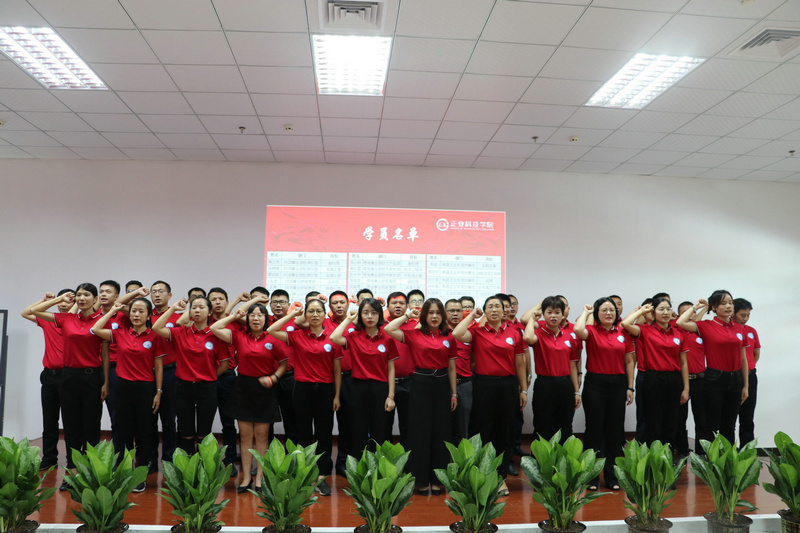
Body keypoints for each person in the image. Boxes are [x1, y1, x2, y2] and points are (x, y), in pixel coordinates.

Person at [30, 284, 106, 491]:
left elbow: (106, 352)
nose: (82, 298)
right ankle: (72, 474)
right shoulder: (66, 319)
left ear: (95, 299)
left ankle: (89, 472)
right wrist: (58, 299)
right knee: (71, 427)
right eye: (79, 295)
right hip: (68, 377)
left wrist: (106, 381)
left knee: (91, 427)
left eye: (86, 295)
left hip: (91, 377)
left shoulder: (101, 320)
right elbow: (33, 311)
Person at [453, 295, 527, 496]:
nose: (494, 310)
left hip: (508, 386)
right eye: (490, 307)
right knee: (484, 431)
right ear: (484, 311)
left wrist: (523, 389)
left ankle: (500, 478)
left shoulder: (514, 333)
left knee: (505, 431)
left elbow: (520, 363)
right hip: (483, 385)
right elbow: (457, 333)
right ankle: (485, 476)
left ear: (504, 311)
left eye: (498, 307)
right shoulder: (476, 332)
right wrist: (472, 316)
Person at [267, 299, 342, 497]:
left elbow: (337, 370)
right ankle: (304, 475)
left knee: (324, 434)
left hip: (325, 390)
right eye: (311, 311)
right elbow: (272, 330)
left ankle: (321, 476)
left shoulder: (332, 338)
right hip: (302, 389)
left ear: (325, 314)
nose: (315, 315)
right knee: (303, 434)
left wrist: (336, 395)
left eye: (319, 311)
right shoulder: (297, 336)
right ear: (305, 315)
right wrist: (292, 314)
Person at [211, 303, 288, 493]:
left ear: (266, 318)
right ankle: (246, 478)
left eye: (260, 315)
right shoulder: (239, 336)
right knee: (245, 436)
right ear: (247, 319)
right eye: (252, 315)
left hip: (265, 388)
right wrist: (234, 315)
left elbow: (284, 363)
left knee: (261, 437)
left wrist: (273, 378)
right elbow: (215, 328)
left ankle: (260, 477)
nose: (255, 318)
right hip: (243, 388)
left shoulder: (273, 337)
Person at [91, 298, 165, 493]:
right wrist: (112, 310)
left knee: (144, 434)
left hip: (146, 389)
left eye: (141, 311)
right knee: (123, 432)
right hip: (122, 389)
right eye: (133, 311)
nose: (136, 314)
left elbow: (158, 367)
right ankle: (124, 472)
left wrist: (158, 392)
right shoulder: (120, 333)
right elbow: (96, 329)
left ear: (148, 316)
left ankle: (140, 475)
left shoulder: (155, 336)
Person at [385, 298, 457, 496]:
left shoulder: (449, 337)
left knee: (441, 432)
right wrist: (407, 315)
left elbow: (452, 367)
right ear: (424, 315)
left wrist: (454, 393)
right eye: (430, 312)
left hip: (442, 385)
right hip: (420, 384)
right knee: (420, 432)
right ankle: (421, 480)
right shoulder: (413, 334)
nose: (434, 316)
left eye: (438, 313)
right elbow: (389, 329)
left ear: (443, 316)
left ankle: (437, 480)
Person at [153, 297, 231, 454]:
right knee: (185, 432)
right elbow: (156, 327)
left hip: (207, 389)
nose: (197, 310)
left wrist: (209, 376)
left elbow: (224, 364)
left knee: (204, 433)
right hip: (183, 388)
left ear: (209, 312)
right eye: (193, 307)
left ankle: (204, 466)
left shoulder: (215, 335)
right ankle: (188, 465)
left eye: (201, 307)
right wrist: (173, 309)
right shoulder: (181, 332)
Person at [574, 298, 635, 491]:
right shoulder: (591, 331)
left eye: (612, 310)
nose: (609, 313)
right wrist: (586, 312)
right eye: (604, 310)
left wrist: (630, 386)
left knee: (615, 432)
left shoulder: (623, 332)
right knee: (594, 431)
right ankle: (591, 478)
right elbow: (577, 330)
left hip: (618, 384)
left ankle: (612, 476)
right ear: (596, 314)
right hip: (595, 384)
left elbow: (629, 361)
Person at [677, 291, 749, 445]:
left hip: (735, 379)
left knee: (730, 424)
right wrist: (696, 306)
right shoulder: (706, 326)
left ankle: (728, 458)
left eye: (730, 303)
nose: (728, 306)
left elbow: (743, 359)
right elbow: (680, 323)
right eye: (723, 303)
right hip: (714, 379)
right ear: (714, 307)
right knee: (712, 423)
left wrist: (746, 385)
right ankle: (712, 458)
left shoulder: (740, 328)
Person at [330, 298, 396, 460]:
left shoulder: (387, 338)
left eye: (374, 313)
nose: (370, 316)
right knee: (357, 431)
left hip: (380, 389)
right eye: (365, 313)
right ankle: (358, 469)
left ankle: (379, 468)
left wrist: (391, 396)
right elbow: (334, 338)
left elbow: (391, 369)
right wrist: (348, 319)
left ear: (379, 315)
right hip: (358, 388)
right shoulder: (354, 336)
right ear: (360, 315)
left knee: (379, 431)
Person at [622, 298, 689, 449]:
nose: (666, 312)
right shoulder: (645, 330)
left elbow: (684, 363)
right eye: (661, 309)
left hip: (674, 379)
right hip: (653, 379)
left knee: (672, 420)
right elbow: (625, 324)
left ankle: (668, 454)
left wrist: (686, 388)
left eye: (668, 309)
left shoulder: (678, 333)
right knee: (653, 420)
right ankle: (654, 455)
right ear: (653, 313)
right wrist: (641, 311)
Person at [20, 289, 73, 470]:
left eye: (68, 300)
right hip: (49, 376)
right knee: (49, 420)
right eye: (61, 301)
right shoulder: (49, 320)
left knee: (70, 421)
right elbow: (25, 312)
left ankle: (72, 460)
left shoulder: (76, 323)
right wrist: (46, 300)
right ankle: (49, 457)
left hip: (69, 377)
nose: (64, 304)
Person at [523, 297, 581, 445]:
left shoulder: (569, 336)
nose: (553, 316)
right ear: (543, 314)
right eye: (549, 312)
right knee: (542, 425)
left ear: (563, 314)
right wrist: (532, 319)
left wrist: (576, 391)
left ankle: (563, 458)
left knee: (565, 425)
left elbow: (573, 366)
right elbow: (528, 337)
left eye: (557, 312)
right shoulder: (539, 332)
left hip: (565, 385)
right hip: (545, 385)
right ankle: (541, 459)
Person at [148, 280, 179, 470]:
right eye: (154, 292)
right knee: (148, 419)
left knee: (169, 420)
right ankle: (150, 459)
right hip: (146, 373)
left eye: (161, 291)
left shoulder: (178, 317)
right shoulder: (144, 314)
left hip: (170, 373)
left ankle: (168, 460)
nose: (157, 295)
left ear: (170, 295)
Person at [207, 287, 239, 474]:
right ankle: (207, 460)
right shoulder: (203, 322)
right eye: (213, 299)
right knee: (205, 423)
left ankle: (230, 460)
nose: (217, 302)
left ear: (227, 302)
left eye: (221, 299)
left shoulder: (235, 322)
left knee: (228, 422)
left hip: (227, 378)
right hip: (205, 378)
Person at [674, 300, 708, 454]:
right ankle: (681, 449)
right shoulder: (675, 331)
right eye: (684, 312)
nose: (689, 315)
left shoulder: (700, 331)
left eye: (692, 312)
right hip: (681, 381)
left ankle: (701, 451)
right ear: (679, 315)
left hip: (700, 380)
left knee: (702, 418)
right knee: (679, 418)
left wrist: (705, 308)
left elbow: (697, 320)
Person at [385, 291, 415, 448]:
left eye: (401, 303)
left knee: (408, 425)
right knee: (383, 425)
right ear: (387, 306)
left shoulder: (415, 326)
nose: (398, 306)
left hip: (409, 382)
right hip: (384, 383)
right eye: (394, 303)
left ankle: (408, 459)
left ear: (407, 306)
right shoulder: (381, 325)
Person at [444, 298, 473, 441]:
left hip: (464, 384)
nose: (455, 314)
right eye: (451, 311)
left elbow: (474, 359)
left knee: (464, 425)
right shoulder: (439, 332)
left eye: (458, 311)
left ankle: (462, 454)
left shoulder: (469, 333)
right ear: (444, 313)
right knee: (444, 424)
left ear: (462, 313)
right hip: (443, 384)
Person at [733, 298, 760, 446]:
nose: (745, 318)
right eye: (742, 315)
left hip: (750, 376)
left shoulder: (751, 331)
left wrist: (747, 370)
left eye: (748, 315)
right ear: (733, 313)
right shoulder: (728, 331)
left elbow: (756, 354)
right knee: (729, 418)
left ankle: (747, 451)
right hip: (732, 377)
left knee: (747, 417)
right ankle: (728, 453)